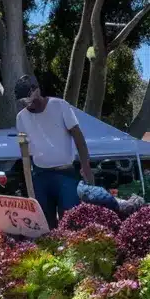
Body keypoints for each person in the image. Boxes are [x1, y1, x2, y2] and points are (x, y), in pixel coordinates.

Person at [14, 75, 94, 227]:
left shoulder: (60, 105)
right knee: (45, 223)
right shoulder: (21, 118)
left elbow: (78, 136)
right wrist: (28, 182)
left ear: (36, 90)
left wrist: (86, 166)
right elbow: (25, 152)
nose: (27, 104)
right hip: (41, 176)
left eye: (28, 99)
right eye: (23, 102)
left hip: (66, 174)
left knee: (69, 221)